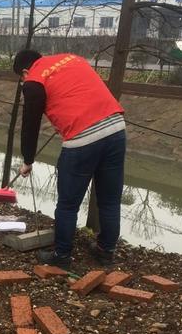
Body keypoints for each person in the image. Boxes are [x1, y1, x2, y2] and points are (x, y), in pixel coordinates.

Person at [13, 49, 126, 268]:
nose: (23, 82)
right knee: (110, 200)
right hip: (116, 128)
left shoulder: (33, 81)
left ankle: (62, 256)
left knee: (67, 204)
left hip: (83, 139)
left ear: (26, 71)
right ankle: (106, 251)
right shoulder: (73, 58)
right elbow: (78, 91)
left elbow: (30, 125)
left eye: (21, 78)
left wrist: (28, 160)